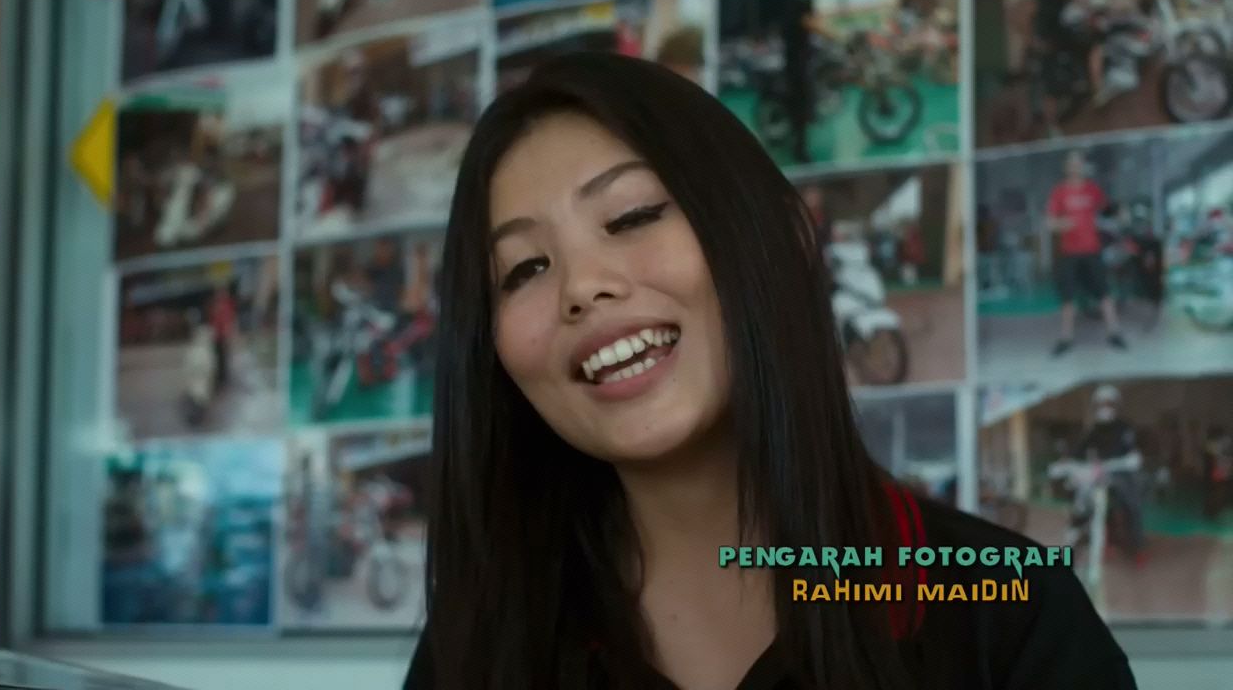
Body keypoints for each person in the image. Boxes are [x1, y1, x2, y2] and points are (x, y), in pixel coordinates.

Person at [404, 52, 1135, 689]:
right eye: (524, 268)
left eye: (631, 216)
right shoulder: (477, 644)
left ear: (783, 236)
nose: (581, 286)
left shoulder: (1008, 611)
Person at [1047, 151, 1126, 356]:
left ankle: (1114, 333)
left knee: (1104, 293)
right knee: (1068, 297)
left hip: (1092, 251)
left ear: (1083, 166)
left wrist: (1121, 213)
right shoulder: (1059, 192)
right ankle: (1066, 338)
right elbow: (1050, 223)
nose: (1075, 167)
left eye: (1078, 163)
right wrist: (1061, 224)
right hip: (1069, 253)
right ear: (1066, 167)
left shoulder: (1092, 189)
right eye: (1071, 163)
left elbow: (1108, 209)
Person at [1064, 384, 1146, 565]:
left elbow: (1133, 453)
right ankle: (1105, 541)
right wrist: (1070, 462)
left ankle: (1138, 547)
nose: (1105, 408)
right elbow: (1079, 450)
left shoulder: (1124, 428)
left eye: (1109, 404)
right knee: (1091, 502)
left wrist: (1130, 460)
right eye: (1101, 404)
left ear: (1116, 406)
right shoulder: (1095, 429)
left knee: (1131, 504)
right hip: (1102, 473)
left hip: (1123, 472)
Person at [1031, 0, 1105, 132]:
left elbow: (1070, 13)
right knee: (1051, 88)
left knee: (1093, 45)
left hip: (1064, 37)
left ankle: (1094, 88)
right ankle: (1051, 127)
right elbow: (1046, 20)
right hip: (1052, 41)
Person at [781, 0, 821, 164]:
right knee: (801, 105)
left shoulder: (800, 2)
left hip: (801, 58)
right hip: (796, 63)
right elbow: (812, 24)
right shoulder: (796, 4)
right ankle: (800, 149)